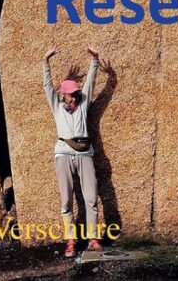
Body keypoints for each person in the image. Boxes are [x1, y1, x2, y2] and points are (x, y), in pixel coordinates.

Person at [43, 42, 104, 258]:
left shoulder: (83, 105)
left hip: (85, 153)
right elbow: (47, 86)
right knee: (66, 201)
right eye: (71, 94)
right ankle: (71, 241)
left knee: (91, 198)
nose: (75, 96)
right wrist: (45, 62)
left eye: (76, 93)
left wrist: (95, 60)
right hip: (63, 154)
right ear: (63, 94)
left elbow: (91, 84)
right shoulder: (57, 106)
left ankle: (93, 239)